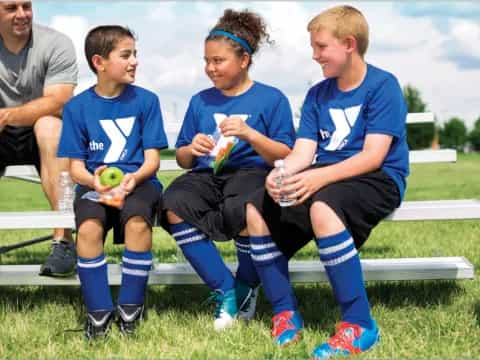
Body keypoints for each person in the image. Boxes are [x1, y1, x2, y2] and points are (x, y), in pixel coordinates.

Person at [245, 5, 409, 357]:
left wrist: (316, 179)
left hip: (377, 178)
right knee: (256, 209)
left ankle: (359, 324)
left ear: (349, 44)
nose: (315, 55)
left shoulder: (383, 86)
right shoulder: (317, 94)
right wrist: (282, 173)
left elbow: (373, 156)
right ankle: (285, 312)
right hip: (327, 177)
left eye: (321, 47)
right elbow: (304, 152)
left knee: (322, 207)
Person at [163, 9, 299, 331]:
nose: (210, 68)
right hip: (207, 175)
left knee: (246, 206)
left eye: (218, 61)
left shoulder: (271, 99)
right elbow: (182, 158)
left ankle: (245, 286)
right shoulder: (200, 101)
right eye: (206, 61)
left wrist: (251, 134)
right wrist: (190, 148)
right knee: (172, 202)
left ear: (244, 60)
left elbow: (286, 152)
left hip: (253, 173)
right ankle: (226, 290)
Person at [57, 25, 168, 340]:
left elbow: (152, 161)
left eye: (135, 54)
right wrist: (96, 182)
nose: (134, 61)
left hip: (140, 181)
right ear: (99, 62)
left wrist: (132, 179)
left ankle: (130, 309)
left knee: (136, 223)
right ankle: (99, 312)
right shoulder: (77, 107)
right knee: (89, 229)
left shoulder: (147, 101)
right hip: (95, 186)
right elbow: (75, 168)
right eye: (126, 55)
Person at [0, 1, 78, 276]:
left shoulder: (56, 43)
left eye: (26, 6)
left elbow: (59, 102)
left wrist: (8, 116)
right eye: (11, 8)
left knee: (49, 126)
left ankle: (63, 241)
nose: (21, 14)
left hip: (41, 132)